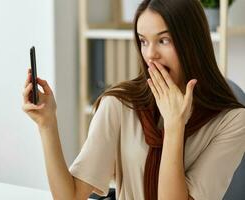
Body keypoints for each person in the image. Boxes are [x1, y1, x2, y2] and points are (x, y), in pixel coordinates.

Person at [22, 0, 245, 199]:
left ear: (193, 43)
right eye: (143, 41)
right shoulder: (118, 104)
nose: (150, 55)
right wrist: (47, 124)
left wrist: (174, 126)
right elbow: (70, 196)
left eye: (164, 40)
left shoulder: (233, 121)